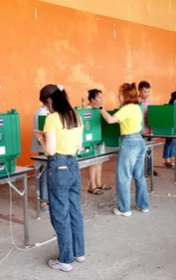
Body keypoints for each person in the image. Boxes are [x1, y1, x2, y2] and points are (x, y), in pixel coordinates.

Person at [34, 84, 85, 272]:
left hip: (58, 166)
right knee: (74, 211)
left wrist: (40, 138)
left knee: (60, 214)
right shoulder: (75, 115)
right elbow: (80, 145)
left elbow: (50, 150)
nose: (46, 108)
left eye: (45, 104)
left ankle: (65, 259)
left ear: (49, 100)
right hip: (73, 164)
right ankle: (79, 253)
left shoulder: (52, 119)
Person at [99, 82, 150, 217]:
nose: (118, 96)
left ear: (125, 95)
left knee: (123, 177)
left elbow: (110, 120)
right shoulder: (136, 107)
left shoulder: (126, 108)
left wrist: (100, 108)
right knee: (139, 176)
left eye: (119, 94)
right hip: (139, 141)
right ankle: (143, 205)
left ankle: (124, 209)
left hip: (130, 143)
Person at [86, 89, 111, 194]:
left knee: (99, 161)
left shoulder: (101, 108)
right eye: (99, 97)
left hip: (99, 138)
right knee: (93, 162)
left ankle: (99, 183)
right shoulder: (87, 109)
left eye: (102, 97)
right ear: (92, 99)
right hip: (91, 140)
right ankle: (92, 186)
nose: (102, 99)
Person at [32, 88, 53, 210]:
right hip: (43, 145)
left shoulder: (51, 112)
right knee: (44, 172)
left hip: (51, 145)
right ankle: (44, 200)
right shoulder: (41, 112)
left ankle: (49, 197)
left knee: (50, 173)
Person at [138, 81, 159, 177]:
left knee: (149, 151)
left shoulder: (149, 102)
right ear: (139, 91)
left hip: (148, 131)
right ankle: (142, 171)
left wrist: (152, 129)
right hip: (139, 132)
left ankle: (149, 169)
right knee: (141, 153)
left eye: (148, 91)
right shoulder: (135, 102)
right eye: (144, 91)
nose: (146, 94)